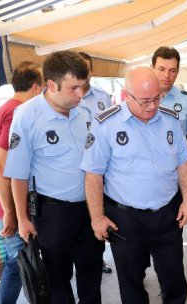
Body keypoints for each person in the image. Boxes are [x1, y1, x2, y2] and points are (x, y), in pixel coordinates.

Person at [4, 51, 120, 304]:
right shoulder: (27, 116)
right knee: (58, 273)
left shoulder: (84, 113)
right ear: (52, 85)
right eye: (74, 88)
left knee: (91, 265)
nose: (81, 94)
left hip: (90, 209)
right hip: (53, 211)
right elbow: (17, 173)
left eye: (83, 86)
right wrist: (22, 219)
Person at [81, 66, 187, 304]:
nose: (151, 107)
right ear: (126, 95)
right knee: (131, 276)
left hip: (167, 213)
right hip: (126, 218)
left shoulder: (171, 120)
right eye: (144, 101)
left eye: (156, 99)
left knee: (173, 272)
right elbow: (93, 174)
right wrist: (97, 217)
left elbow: (184, 162)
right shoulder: (105, 124)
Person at [0, 61, 42, 304]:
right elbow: (0, 166)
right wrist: (10, 212)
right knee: (14, 261)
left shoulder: (4, 109)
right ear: (35, 87)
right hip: (5, 202)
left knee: (22, 258)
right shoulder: (15, 113)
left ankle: (35, 302)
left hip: (4, 200)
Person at [151, 46, 187, 198]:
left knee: (176, 218)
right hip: (144, 176)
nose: (166, 75)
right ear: (152, 68)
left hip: (177, 176)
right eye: (161, 69)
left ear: (177, 71)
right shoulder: (138, 97)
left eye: (172, 70)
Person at [78, 51, 113, 274]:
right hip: (76, 168)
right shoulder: (66, 97)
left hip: (100, 167)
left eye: (86, 68)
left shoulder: (102, 97)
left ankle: (98, 258)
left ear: (91, 71)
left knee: (98, 212)